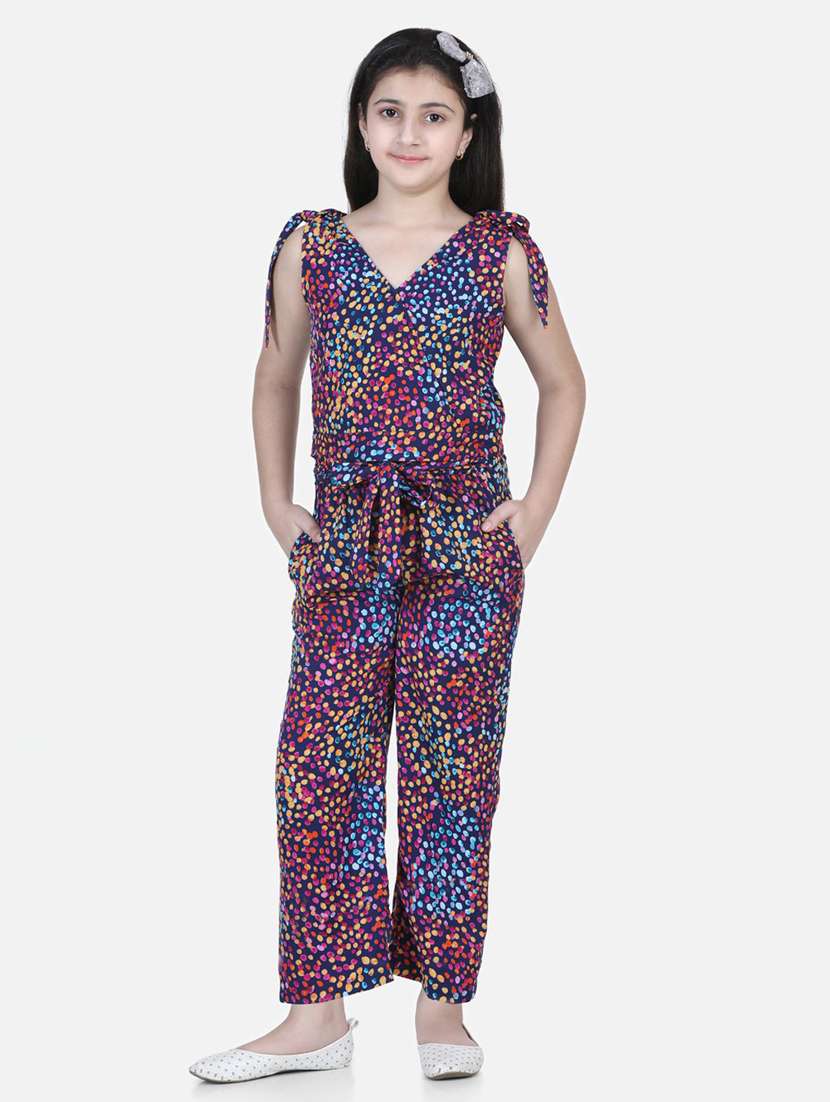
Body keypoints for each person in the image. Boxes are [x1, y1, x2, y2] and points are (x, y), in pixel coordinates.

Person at [190, 26, 585, 1084]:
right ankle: (314, 1014)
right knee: (318, 765)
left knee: (454, 769)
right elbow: (275, 375)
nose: (410, 133)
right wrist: (277, 503)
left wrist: (533, 512)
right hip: (344, 548)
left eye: (433, 115)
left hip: (466, 548)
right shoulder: (310, 246)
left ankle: (442, 1006)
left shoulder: (500, 250)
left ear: (466, 134)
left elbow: (564, 382)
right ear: (361, 125)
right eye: (389, 112)